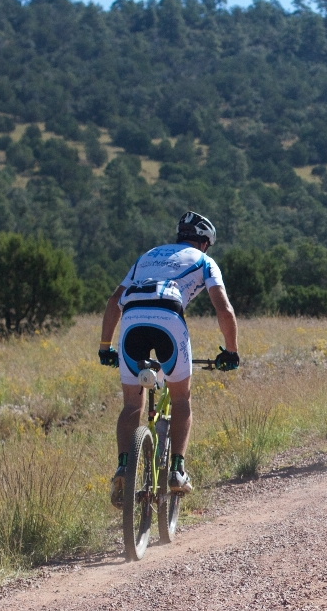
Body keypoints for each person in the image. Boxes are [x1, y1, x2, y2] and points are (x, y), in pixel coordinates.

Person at [99, 211, 240, 508]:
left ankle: (124, 466)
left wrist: (104, 347)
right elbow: (223, 308)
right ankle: (177, 470)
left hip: (132, 320)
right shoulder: (204, 260)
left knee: (131, 404)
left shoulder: (147, 256)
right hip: (169, 319)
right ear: (204, 242)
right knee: (180, 399)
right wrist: (230, 351)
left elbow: (114, 300)